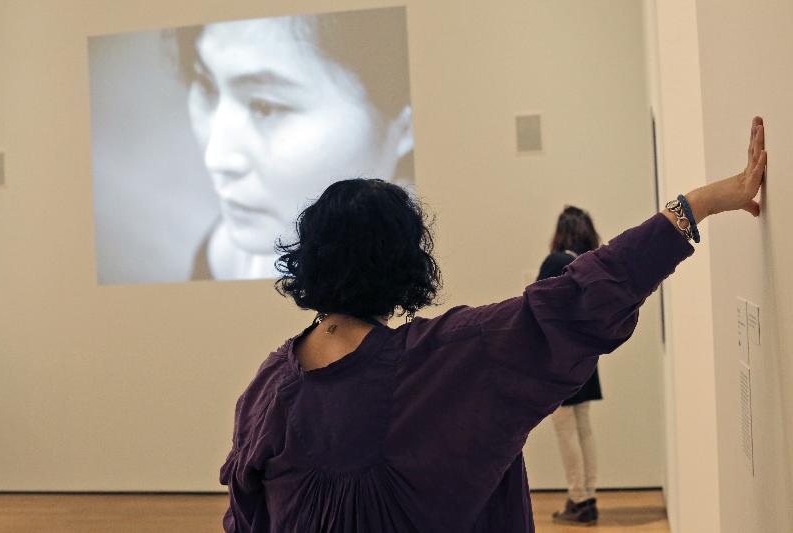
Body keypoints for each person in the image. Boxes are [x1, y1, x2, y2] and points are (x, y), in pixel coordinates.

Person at [219, 118, 767, 532]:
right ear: (404, 265)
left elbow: (244, 518)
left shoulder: (267, 388)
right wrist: (700, 204)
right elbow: (585, 295)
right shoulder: (448, 358)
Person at [172, 8, 414, 281]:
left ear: (406, 126)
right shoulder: (227, 258)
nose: (215, 159)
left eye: (265, 106)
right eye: (207, 87)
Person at [536, 206, 604, 525]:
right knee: (583, 426)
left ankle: (578, 499)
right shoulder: (592, 262)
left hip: (559, 356)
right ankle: (587, 496)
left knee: (566, 428)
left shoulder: (555, 262)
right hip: (586, 353)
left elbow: (537, 305)